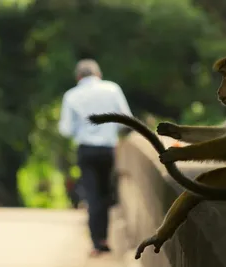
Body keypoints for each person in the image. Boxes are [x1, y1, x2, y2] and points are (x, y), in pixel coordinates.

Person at [58, 59, 133, 257]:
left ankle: (96, 243)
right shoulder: (112, 89)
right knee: (105, 193)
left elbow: (65, 129)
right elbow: (126, 119)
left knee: (92, 195)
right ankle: (105, 239)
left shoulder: (71, 95)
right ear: (98, 74)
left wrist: (81, 129)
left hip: (86, 150)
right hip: (108, 149)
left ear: (78, 77)